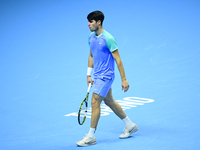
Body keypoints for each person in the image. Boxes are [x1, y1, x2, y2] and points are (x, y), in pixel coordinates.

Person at [76, 10, 138, 147]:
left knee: (94, 102)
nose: (88, 24)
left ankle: (91, 136)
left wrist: (124, 79)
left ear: (99, 22)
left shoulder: (108, 38)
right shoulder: (90, 37)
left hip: (106, 76)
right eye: (88, 21)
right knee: (109, 101)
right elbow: (91, 56)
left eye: (91, 22)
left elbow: (118, 60)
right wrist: (88, 74)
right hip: (97, 75)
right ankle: (130, 125)